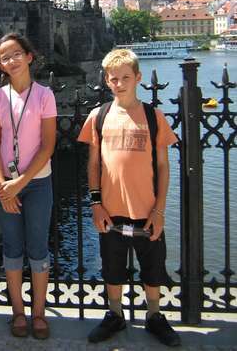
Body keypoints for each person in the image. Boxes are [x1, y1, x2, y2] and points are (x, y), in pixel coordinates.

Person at [78, 48, 181, 347]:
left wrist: (159, 210)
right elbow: (93, 165)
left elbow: (163, 167)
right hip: (110, 210)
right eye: (114, 79)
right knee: (112, 267)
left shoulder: (153, 116)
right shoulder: (98, 117)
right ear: (106, 81)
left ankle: (154, 315)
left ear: (138, 78)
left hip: (146, 209)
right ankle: (115, 314)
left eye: (125, 77)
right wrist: (96, 204)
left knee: (153, 267)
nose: (119, 83)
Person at [0, 33, 57, 340]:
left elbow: (48, 146)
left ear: (29, 57)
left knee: (38, 248)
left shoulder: (44, 95)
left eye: (17, 54)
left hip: (37, 183)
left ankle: (38, 313)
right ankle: (18, 312)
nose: (12, 60)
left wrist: (20, 182)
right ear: (0, 65)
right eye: (5, 57)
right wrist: (3, 186)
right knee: (12, 248)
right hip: (6, 185)